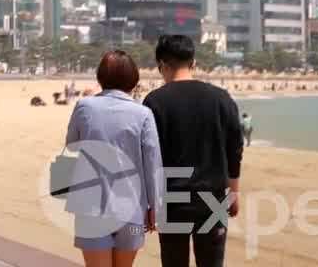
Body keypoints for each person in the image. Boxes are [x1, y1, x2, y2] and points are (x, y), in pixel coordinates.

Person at [145, 34, 242, 267]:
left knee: (174, 262)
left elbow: (149, 157)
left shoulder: (154, 102)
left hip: (171, 200)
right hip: (214, 198)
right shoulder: (222, 99)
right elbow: (234, 150)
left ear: (161, 66)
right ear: (193, 63)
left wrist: (148, 202)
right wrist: (234, 193)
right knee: (211, 262)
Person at [59, 50, 162, 267]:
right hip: (132, 209)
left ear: (100, 78)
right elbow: (153, 165)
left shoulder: (84, 107)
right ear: (134, 80)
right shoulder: (143, 114)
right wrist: (155, 207)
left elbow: (71, 144)